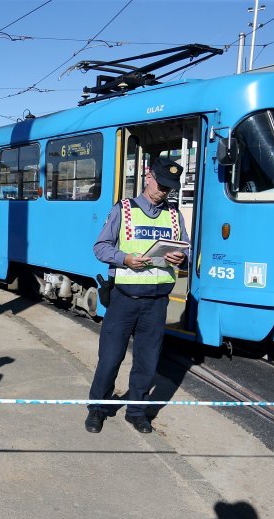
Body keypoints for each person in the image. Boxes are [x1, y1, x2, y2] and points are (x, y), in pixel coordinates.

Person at [85, 157, 190, 435]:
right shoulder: (124, 210)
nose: (164, 192)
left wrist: (181, 258)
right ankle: (97, 407)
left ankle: (136, 410)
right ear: (147, 177)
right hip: (124, 299)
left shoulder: (174, 215)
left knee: (147, 362)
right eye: (161, 185)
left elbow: (188, 251)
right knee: (110, 359)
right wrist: (124, 258)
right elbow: (100, 247)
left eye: (170, 188)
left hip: (156, 302)